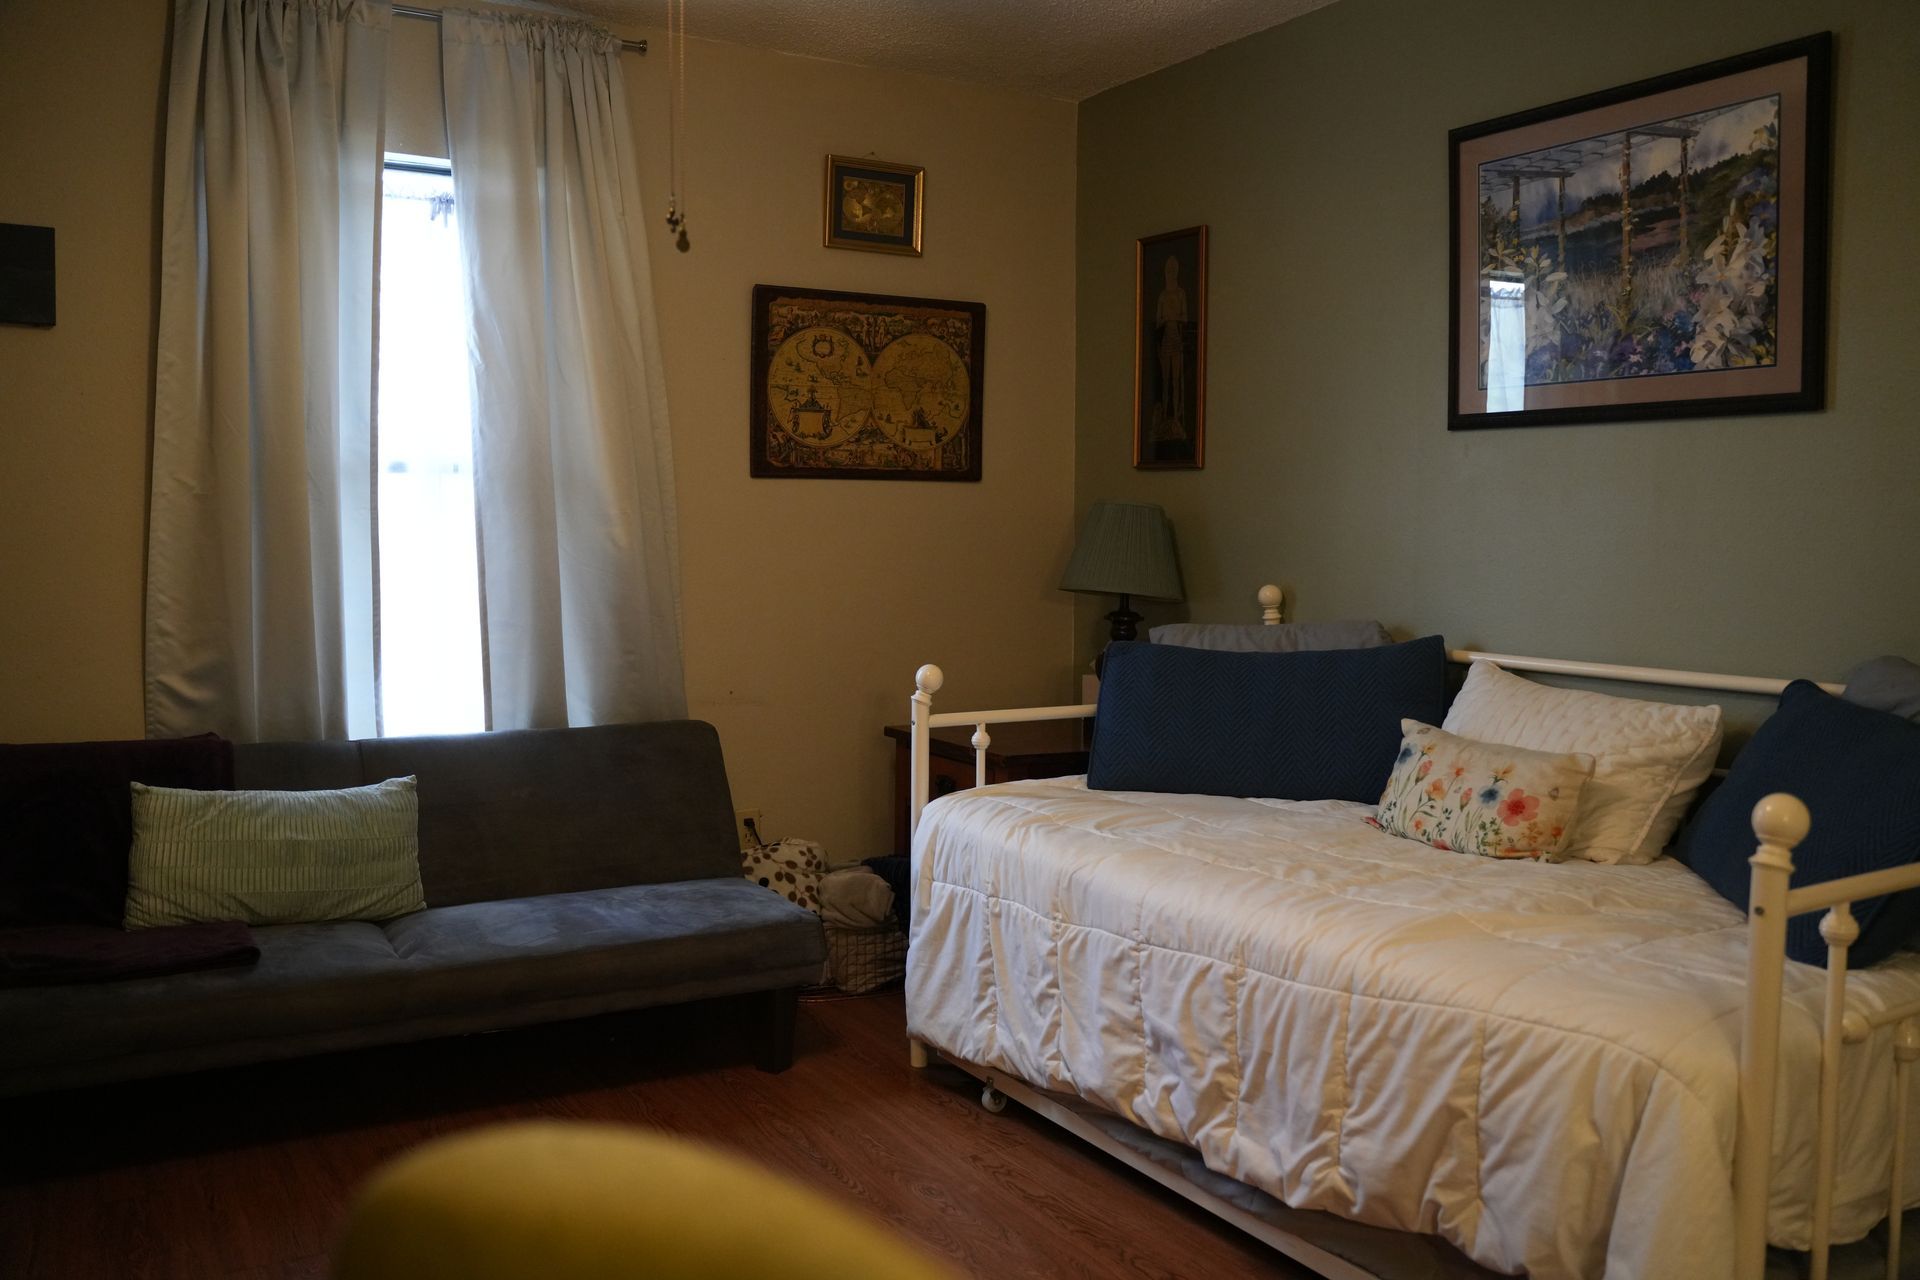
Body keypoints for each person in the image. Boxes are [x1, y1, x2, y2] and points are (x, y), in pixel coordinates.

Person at [1153, 254, 1188, 439]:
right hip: (1166, 338)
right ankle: (1166, 417)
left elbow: (1186, 317)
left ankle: (1176, 417)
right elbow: (1157, 320)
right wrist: (1166, 318)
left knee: (1176, 380)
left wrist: (1174, 318)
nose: (1171, 272)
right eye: (1169, 269)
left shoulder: (1180, 293)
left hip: (1176, 338)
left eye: (1174, 269)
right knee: (1165, 381)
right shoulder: (1163, 295)